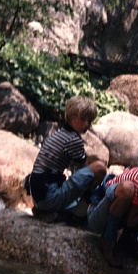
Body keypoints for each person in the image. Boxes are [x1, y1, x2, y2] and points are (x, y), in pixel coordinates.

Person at [24, 95, 107, 226]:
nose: (86, 124)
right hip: (48, 197)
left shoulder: (60, 133)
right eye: (82, 119)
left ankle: (49, 211)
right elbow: (85, 172)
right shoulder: (74, 140)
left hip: (39, 195)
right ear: (72, 117)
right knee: (100, 168)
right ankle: (79, 214)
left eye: (89, 121)